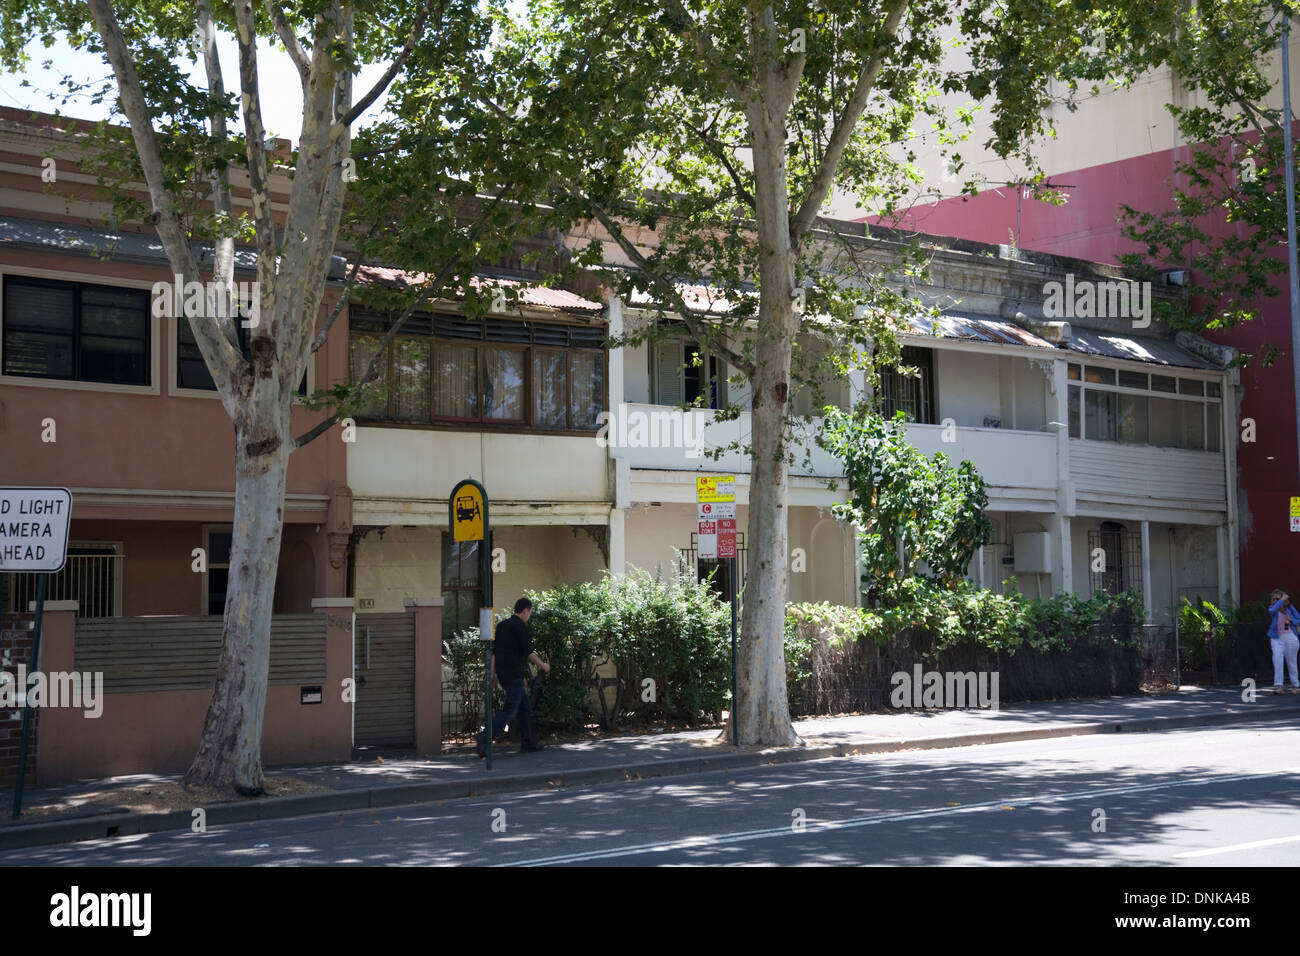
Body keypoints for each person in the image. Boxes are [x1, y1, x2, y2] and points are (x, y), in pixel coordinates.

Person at [476, 597, 550, 755]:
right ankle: (484, 737)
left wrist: (493, 673)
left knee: (524, 709)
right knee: (510, 710)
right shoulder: (520, 627)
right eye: (530, 612)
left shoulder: (502, 625)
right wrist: (543, 665)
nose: (529, 615)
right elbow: (529, 652)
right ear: (525, 611)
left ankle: (528, 742)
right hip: (515, 673)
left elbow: (495, 652)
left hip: (503, 674)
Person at [1266, 589, 1300, 695]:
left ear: (1283, 599)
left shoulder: (1290, 608)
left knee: (1292, 663)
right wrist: (1280, 601)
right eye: (1274, 599)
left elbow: (1299, 619)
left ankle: (1296, 686)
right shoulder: (1273, 609)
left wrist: (1292, 620)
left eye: (1278, 599)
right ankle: (1279, 686)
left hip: (1290, 638)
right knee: (1277, 661)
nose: (1276, 601)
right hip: (1276, 639)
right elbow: (1272, 611)